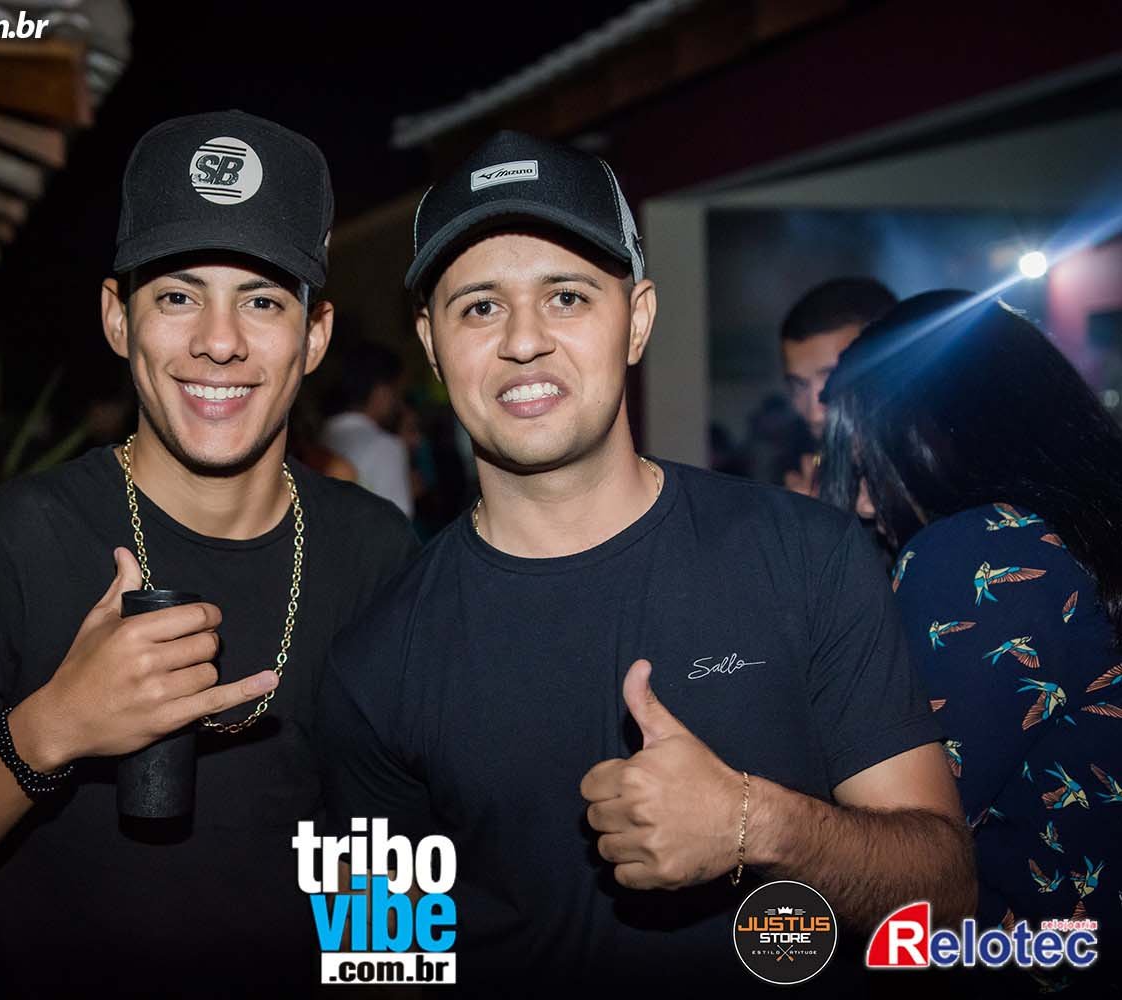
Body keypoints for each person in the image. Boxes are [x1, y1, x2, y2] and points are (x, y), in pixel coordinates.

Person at [317, 130, 974, 991]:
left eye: (567, 296)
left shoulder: (808, 554)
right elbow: (376, 960)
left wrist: (755, 824)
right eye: (479, 307)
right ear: (432, 344)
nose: (524, 341)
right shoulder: (374, 660)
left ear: (638, 320)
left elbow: (947, 899)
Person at [0, 110, 419, 992]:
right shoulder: (2, 539)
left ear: (315, 334)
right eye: (178, 296)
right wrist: (50, 729)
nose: (219, 341)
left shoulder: (378, 548)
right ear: (118, 318)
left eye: (263, 300)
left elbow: (386, 853)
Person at [820, 290, 1122, 995]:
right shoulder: (1073, 532)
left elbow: (896, 842)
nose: (861, 501)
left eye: (869, 461)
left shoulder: (976, 548)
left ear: (940, 430)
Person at [778, 277, 895, 495]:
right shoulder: (799, 474)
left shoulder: (944, 477)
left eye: (833, 380)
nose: (814, 414)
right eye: (799, 385)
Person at [321, 340, 414, 514]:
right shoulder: (386, 447)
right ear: (382, 392)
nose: (398, 403)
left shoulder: (320, 435)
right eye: (397, 392)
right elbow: (397, 522)